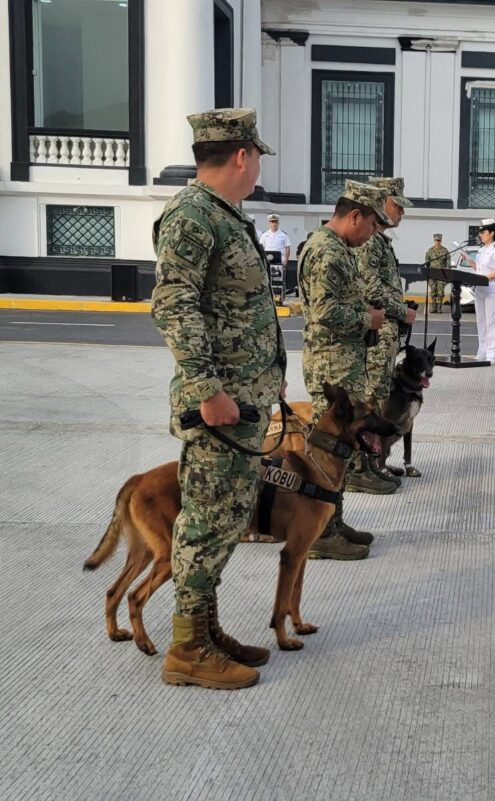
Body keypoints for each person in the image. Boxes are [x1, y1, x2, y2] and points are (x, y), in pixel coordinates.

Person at [151, 107, 285, 690]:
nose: (256, 168)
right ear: (241, 156)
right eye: (256, 158)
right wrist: (207, 390)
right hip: (221, 409)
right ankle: (186, 649)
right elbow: (173, 304)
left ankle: (204, 629)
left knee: (228, 518)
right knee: (206, 522)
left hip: (243, 406)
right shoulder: (192, 216)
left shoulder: (225, 215)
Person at [298, 180, 391, 559]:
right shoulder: (327, 252)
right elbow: (323, 312)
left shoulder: (336, 248)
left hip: (340, 364)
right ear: (355, 215)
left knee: (338, 454)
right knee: (327, 455)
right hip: (331, 366)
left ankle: (333, 521)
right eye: (370, 226)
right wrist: (367, 319)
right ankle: (320, 533)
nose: (371, 235)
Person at [350, 177, 418, 495]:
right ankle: (363, 466)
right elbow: (370, 285)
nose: (402, 213)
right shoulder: (370, 241)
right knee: (372, 401)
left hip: (386, 335)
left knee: (378, 399)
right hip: (376, 336)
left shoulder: (380, 241)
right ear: (382, 203)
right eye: (398, 206)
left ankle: (374, 462)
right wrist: (400, 310)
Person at [460, 218, 495, 363]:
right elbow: (479, 268)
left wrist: (483, 278)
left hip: (491, 288)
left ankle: (492, 354)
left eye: (483, 232)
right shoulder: (481, 250)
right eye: (480, 232)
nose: (481, 235)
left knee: (492, 322)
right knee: (481, 321)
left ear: (492, 233)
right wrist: (469, 260)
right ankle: (482, 350)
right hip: (480, 288)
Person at [425, 233, 450, 313]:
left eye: (439, 240)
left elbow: (448, 263)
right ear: (434, 241)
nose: (438, 242)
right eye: (436, 240)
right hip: (432, 273)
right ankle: (433, 307)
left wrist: (446, 274)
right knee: (433, 290)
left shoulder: (445, 251)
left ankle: (439, 308)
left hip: (441, 274)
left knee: (440, 291)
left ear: (441, 241)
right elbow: (426, 262)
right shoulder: (430, 250)